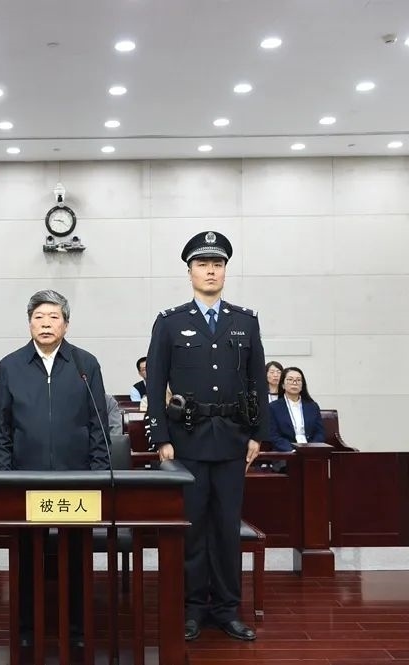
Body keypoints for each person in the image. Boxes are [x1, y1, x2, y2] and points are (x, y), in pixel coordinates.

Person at [145, 230, 268, 643]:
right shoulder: (170, 322)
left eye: (217, 264)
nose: (211, 271)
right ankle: (193, 607)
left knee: (227, 528)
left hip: (232, 439)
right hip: (187, 440)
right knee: (192, 528)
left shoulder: (245, 321)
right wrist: (161, 437)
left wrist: (258, 434)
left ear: (225, 271)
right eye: (202, 264)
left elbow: (257, 381)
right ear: (190, 272)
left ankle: (228, 608)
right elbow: (156, 384)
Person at [0, 289, 110, 648]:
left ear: (66, 324)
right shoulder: (10, 366)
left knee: (76, 557)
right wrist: (4, 477)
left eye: (53, 317)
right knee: (27, 557)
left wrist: (98, 474)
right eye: (39, 317)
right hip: (26, 480)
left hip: (77, 480)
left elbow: (98, 426)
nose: (46, 324)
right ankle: (27, 629)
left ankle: (77, 630)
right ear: (29, 323)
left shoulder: (86, 365)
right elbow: (1, 429)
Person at [267, 366, 326, 452]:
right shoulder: (273, 407)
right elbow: (273, 435)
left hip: (310, 452)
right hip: (286, 452)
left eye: (298, 380)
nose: (294, 383)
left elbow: (319, 433)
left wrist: (311, 449)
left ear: (302, 385)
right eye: (290, 379)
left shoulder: (313, 406)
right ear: (283, 385)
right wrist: (292, 450)